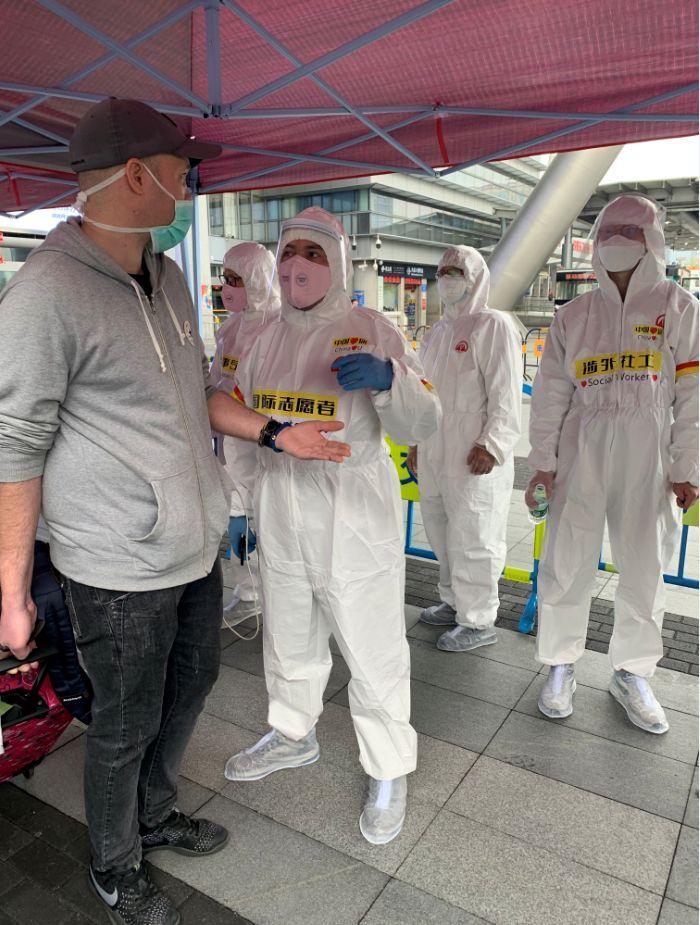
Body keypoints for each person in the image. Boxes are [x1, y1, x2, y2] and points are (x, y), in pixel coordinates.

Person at [0, 99, 349, 925]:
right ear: (135, 175)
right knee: (124, 722)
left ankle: (154, 814)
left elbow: (196, 392)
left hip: (193, 549)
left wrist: (276, 431)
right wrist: (11, 590)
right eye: (180, 169)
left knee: (192, 682)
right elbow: (13, 445)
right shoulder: (45, 293)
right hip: (116, 564)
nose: (189, 183)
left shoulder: (166, 276)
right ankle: (114, 862)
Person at [224, 207, 441, 845]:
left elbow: (424, 420)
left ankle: (389, 766)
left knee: (372, 644)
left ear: (339, 262)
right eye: (289, 252)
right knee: (288, 633)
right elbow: (241, 424)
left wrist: (390, 380)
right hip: (280, 506)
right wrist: (239, 503)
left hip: (353, 513)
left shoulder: (373, 330)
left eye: (313, 254)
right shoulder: (261, 338)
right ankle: (293, 732)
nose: (298, 265)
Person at [526, 194, 698, 733]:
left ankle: (632, 672)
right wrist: (543, 462)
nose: (617, 241)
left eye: (631, 231)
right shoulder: (573, 316)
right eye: (609, 231)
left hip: (649, 450)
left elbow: (693, 394)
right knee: (566, 558)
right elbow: (550, 395)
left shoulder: (679, 307)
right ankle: (560, 663)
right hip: (582, 446)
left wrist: (687, 467)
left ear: (654, 242)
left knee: (644, 565)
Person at [408, 246, 522, 651]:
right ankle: (454, 600)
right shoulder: (438, 332)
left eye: (455, 271)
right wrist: (416, 442)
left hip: (473, 452)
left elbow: (506, 393)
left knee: (475, 534)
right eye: (442, 271)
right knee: (440, 529)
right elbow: (423, 393)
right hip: (435, 449)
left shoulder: (494, 325)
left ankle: (478, 620)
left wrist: (492, 444)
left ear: (475, 278)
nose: (446, 278)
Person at [210, 242, 281, 609]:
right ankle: (249, 594)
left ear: (256, 279)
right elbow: (215, 382)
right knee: (239, 516)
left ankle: (272, 599)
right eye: (225, 279)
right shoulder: (230, 328)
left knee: (270, 524)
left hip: (266, 440)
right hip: (231, 438)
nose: (227, 288)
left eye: (235, 279)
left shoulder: (281, 327)